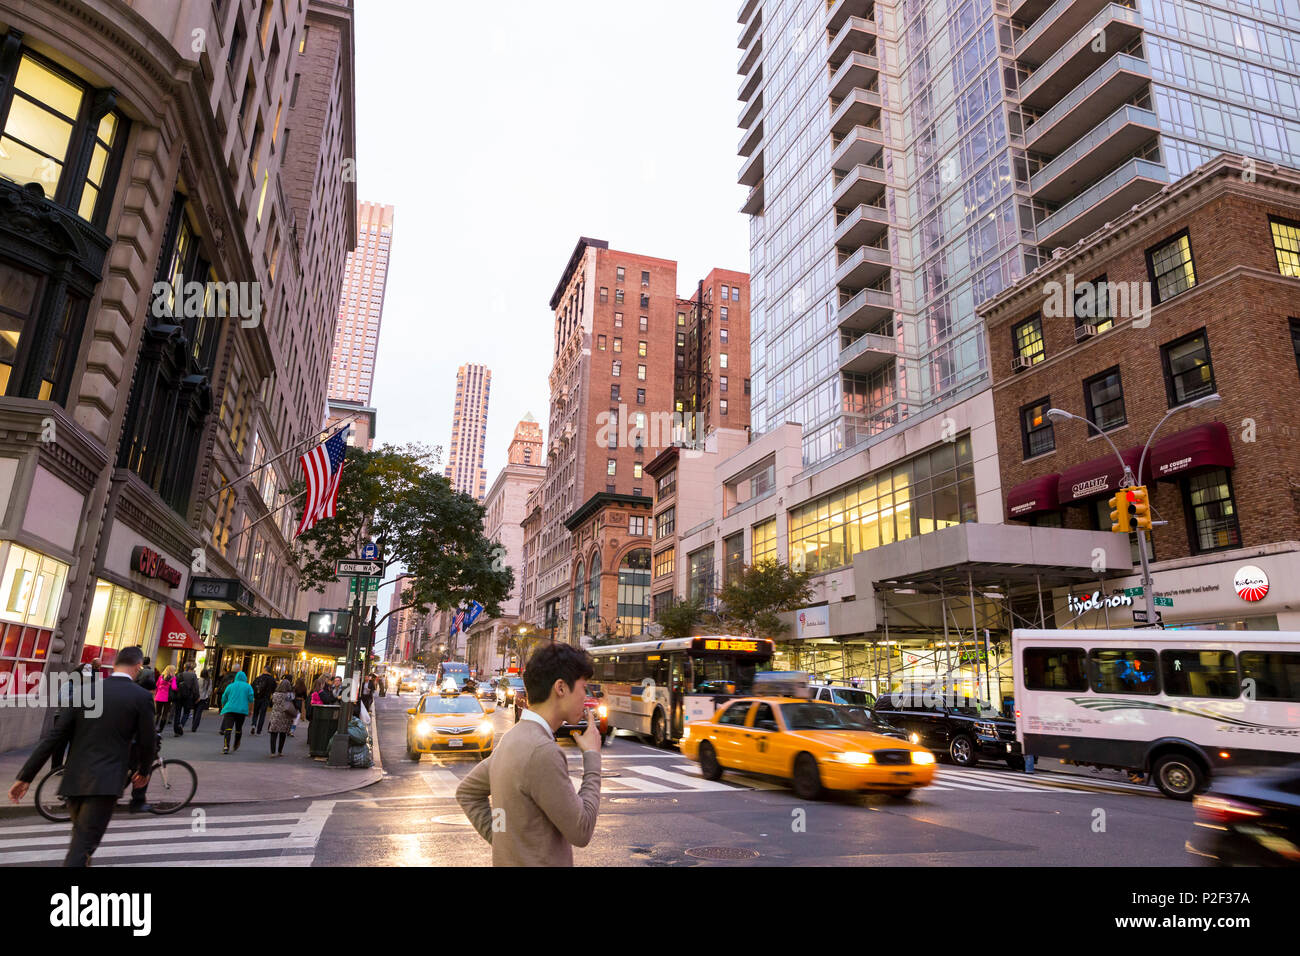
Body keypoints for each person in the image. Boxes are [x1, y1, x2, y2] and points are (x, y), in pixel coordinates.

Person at [9, 645, 157, 866]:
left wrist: (26, 776)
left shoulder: (86, 691)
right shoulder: (141, 696)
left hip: (74, 780)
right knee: (82, 846)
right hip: (105, 783)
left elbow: (54, 737)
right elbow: (148, 741)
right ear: (138, 667)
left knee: (82, 840)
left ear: (114, 664)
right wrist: (143, 771)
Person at [456, 643, 602, 867]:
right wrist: (592, 756)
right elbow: (581, 831)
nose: (586, 697)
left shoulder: (512, 738)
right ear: (561, 688)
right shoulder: (543, 751)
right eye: (584, 687)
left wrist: (504, 839)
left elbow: (467, 792)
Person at [219, 670, 255, 754]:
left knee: (228, 728)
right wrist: (251, 710)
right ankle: (236, 743)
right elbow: (251, 699)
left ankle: (225, 746)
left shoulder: (230, 686)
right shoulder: (248, 687)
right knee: (238, 728)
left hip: (230, 709)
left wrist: (223, 706)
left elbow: (224, 697)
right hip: (241, 711)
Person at [267, 679, 296, 757]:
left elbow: (270, 704)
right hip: (285, 716)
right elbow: (294, 704)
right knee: (283, 734)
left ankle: (272, 752)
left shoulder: (275, 694)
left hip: (275, 715)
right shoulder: (289, 695)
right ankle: (280, 751)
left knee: (274, 734)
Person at [172, 662, 199, 736]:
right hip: (188, 696)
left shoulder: (178, 674)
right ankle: (181, 724)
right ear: (191, 668)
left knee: (177, 713)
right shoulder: (193, 675)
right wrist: (197, 696)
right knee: (186, 712)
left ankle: (176, 731)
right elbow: (195, 687)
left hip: (179, 696)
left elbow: (174, 686)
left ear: (184, 667)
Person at [250, 666, 276, 735]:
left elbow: (252, 687)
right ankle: (259, 730)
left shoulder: (258, 678)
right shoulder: (272, 680)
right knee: (262, 714)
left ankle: (253, 725)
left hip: (258, 698)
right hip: (266, 699)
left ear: (264, 670)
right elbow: (274, 690)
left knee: (256, 712)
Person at [153, 665, 177, 731]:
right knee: (165, 714)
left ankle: (154, 727)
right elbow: (174, 687)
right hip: (167, 698)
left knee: (158, 713)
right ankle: (160, 729)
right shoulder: (173, 678)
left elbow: (157, 686)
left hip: (158, 697)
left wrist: (156, 695)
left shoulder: (161, 676)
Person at [192, 668, 213, 733]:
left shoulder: (199, 680)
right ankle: (195, 726)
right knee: (199, 712)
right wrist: (207, 696)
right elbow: (209, 690)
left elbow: (195, 689)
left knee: (195, 711)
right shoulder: (209, 681)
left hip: (197, 698)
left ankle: (193, 724)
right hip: (204, 698)